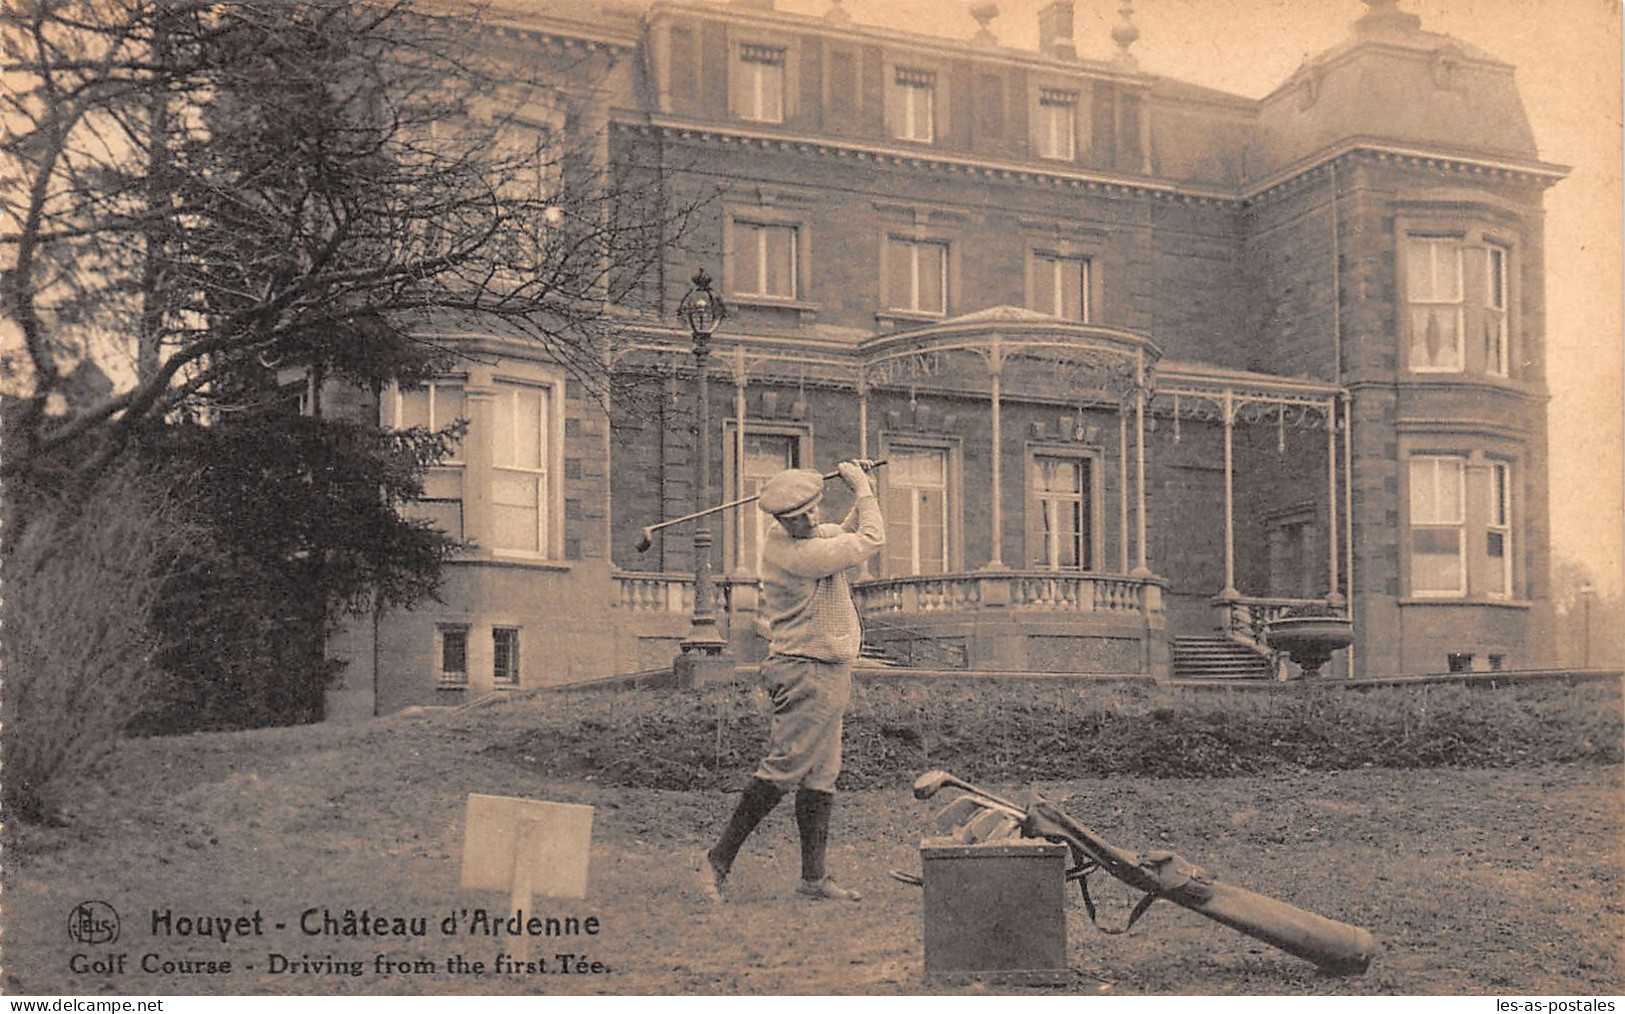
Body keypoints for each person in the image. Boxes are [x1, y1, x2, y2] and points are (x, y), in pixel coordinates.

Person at [698, 459, 884, 903]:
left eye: (812, 510)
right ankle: (716, 860)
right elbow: (871, 539)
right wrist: (863, 489)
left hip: (825, 669)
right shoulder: (797, 553)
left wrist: (863, 491)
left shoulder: (802, 537)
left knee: (822, 774)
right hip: (806, 671)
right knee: (786, 768)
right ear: (779, 520)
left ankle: (813, 879)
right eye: (796, 516)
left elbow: (842, 531)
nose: (808, 520)